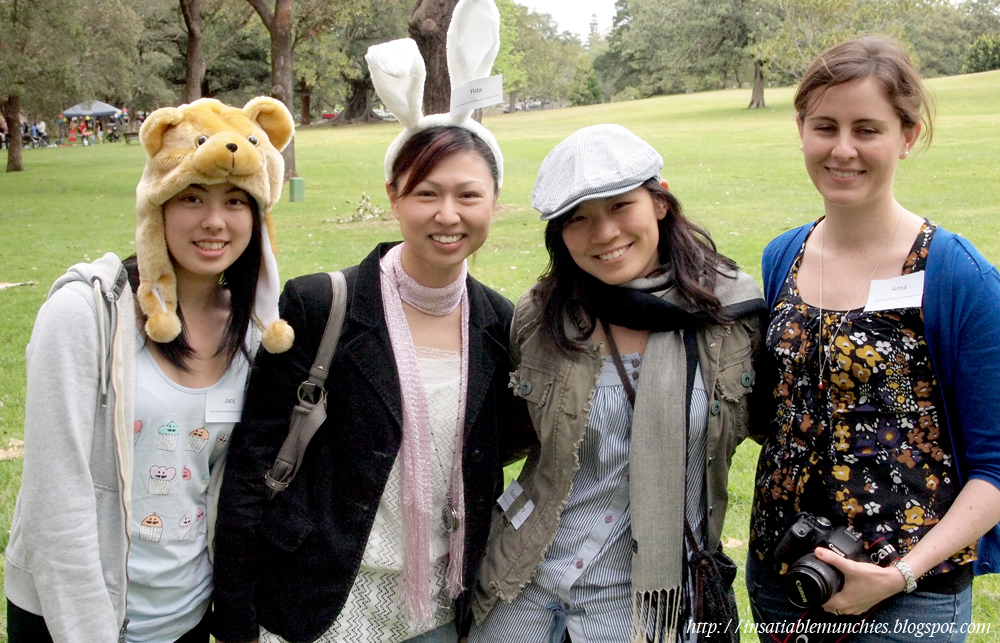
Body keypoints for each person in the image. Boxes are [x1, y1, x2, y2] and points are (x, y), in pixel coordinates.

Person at [212, 2, 530, 642]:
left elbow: (501, 451)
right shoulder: (318, 306)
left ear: (495, 199)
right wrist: (238, 617)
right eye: (426, 193)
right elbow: (253, 466)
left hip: (439, 608)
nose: (448, 214)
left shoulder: (501, 322)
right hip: (319, 602)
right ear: (393, 195)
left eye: (468, 194)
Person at [3, 96, 296, 643]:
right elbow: (55, 498)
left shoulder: (253, 335)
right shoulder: (85, 315)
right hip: (71, 621)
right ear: (156, 203)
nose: (214, 221)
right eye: (191, 197)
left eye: (236, 200)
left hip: (185, 619)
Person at [470, 124, 767, 643]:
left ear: (660, 201)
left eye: (620, 207)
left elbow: (789, 437)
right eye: (577, 219)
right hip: (523, 590)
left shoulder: (732, 316)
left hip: (650, 604)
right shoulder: (541, 318)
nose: (603, 233)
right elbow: (496, 439)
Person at [747, 35, 1000, 642]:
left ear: (907, 137)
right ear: (801, 129)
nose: (842, 150)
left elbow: (994, 468)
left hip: (906, 599)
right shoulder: (784, 255)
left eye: (867, 129)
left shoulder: (956, 275)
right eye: (824, 126)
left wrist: (902, 575)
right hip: (784, 579)